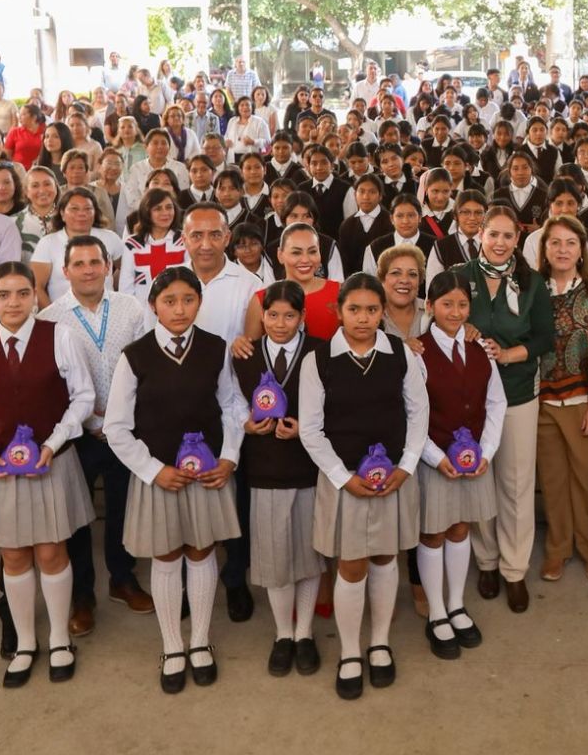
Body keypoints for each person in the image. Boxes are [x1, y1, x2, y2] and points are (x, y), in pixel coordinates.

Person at [0, 261, 95, 688]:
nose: (13, 302)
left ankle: (59, 639)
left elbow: (83, 396)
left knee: (51, 552)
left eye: (22, 293)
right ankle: (26, 642)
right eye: (4, 295)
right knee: (13, 556)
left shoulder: (60, 337)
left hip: (51, 462)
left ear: (35, 297)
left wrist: (53, 443)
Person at [102, 267, 244, 693]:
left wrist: (230, 457)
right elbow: (116, 427)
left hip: (207, 476)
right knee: (165, 557)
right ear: (153, 306)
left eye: (187, 300)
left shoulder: (215, 349)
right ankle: (172, 646)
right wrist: (153, 470)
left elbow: (232, 406)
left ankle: (200, 641)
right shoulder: (135, 355)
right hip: (161, 477)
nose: (179, 309)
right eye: (169, 301)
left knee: (201, 552)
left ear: (199, 303)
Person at [296, 273, 429, 700]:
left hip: (391, 478)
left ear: (383, 312)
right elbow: (312, 430)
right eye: (354, 309)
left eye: (373, 310)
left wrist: (406, 467)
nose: (364, 318)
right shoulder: (319, 360)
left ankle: (380, 642)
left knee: (386, 557)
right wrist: (342, 478)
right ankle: (350, 650)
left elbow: (417, 413)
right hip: (347, 479)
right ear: (338, 311)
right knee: (352, 564)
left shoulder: (400, 355)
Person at [43, 235, 155, 635]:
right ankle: (83, 594)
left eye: (96, 262)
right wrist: (88, 414)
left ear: (109, 266)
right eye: (80, 263)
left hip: (125, 431)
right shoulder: (51, 318)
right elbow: (51, 383)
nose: (89, 269)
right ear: (65, 270)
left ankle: (122, 579)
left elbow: (148, 364)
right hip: (78, 434)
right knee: (77, 516)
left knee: (124, 510)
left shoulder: (131, 308)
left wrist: (123, 414)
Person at [448, 205, 552, 613]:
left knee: (516, 484)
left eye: (508, 236)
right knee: (478, 479)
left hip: (517, 393)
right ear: (480, 233)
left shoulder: (532, 282)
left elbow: (545, 337)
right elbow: (439, 318)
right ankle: (486, 561)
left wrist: (510, 354)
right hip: (468, 397)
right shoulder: (459, 276)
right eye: (493, 234)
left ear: (517, 239)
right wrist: (462, 326)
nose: (500, 243)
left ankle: (514, 569)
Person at [231, 280, 325, 677]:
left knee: (307, 556)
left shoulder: (321, 352)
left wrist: (305, 428)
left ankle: (304, 632)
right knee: (273, 557)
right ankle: (282, 633)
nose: (280, 323)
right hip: (264, 468)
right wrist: (245, 424)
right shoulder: (245, 356)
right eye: (272, 315)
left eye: (290, 315)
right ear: (261, 315)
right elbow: (230, 400)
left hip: (307, 468)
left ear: (302, 318)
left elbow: (334, 405)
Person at [412, 272, 505, 659]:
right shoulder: (417, 353)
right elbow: (412, 415)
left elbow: (495, 402)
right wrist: (436, 458)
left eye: (462, 304)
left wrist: (486, 451)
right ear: (430, 307)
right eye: (446, 304)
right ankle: (436, 612)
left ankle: (456, 604)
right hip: (435, 459)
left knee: (462, 527)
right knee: (434, 532)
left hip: (474, 460)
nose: (455, 311)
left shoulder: (481, 348)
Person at [535, 215, 588, 583]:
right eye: (555, 243)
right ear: (544, 248)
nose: (563, 249)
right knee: (552, 482)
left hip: (584, 401)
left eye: (570, 242)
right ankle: (557, 550)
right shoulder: (531, 290)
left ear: (582, 249)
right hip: (540, 404)